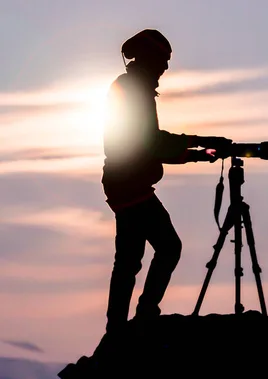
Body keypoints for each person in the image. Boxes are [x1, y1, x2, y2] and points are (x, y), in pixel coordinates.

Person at [101, 29, 230, 333]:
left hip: (126, 186)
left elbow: (149, 145)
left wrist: (197, 151)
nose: (166, 68)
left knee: (129, 260)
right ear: (149, 58)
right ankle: (143, 314)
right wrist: (200, 143)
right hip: (131, 187)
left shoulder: (131, 87)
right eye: (163, 60)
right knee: (168, 247)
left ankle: (117, 328)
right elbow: (152, 144)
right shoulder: (133, 89)